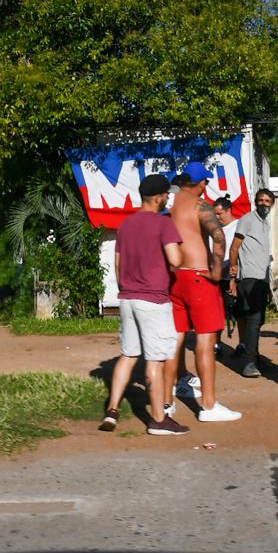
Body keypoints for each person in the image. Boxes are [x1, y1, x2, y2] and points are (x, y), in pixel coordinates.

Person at [99, 174, 188, 435]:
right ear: (159, 197)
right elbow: (175, 260)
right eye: (166, 195)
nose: (168, 198)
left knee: (128, 356)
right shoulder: (164, 224)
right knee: (155, 361)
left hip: (127, 297)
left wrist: (126, 287)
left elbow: (117, 264)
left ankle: (112, 410)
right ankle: (158, 419)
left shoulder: (126, 225)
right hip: (154, 300)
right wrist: (180, 254)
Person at [164, 161, 241, 422]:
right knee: (206, 340)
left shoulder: (171, 204)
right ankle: (208, 405)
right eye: (205, 181)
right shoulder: (200, 205)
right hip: (199, 276)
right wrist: (217, 271)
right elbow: (218, 238)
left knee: (176, 338)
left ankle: (168, 398)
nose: (206, 185)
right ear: (199, 183)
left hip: (176, 276)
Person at [229, 188, 276, 378]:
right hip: (249, 278)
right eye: (260, 200)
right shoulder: (247, 219)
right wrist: (233, 275)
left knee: (258, 320)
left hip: (262, 279)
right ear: (255, 202)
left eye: (267, 201)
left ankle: (254, 358)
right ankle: (249, 363)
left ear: (272, 204)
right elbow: (234, 248)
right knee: (254, 320)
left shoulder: (265, 223)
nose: (263, 203)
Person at [212, 196, 239, 355]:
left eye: (220, 214)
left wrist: (233, 276)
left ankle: (242, 345)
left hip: (232, 278)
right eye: (215, 214)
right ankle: (216, 344)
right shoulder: (215, 229)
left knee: (239, 315)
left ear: (229, 211)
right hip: (217, 278)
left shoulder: (238, 227)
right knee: (216, 313)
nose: (217, 217)